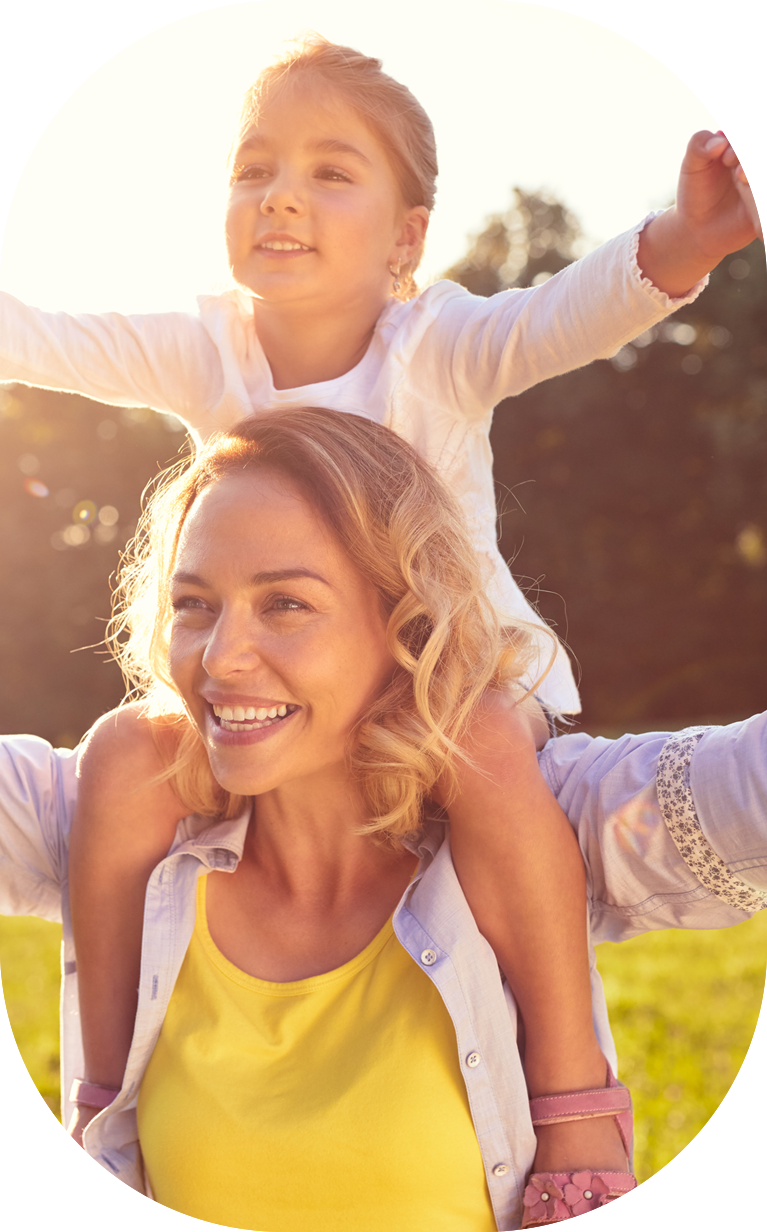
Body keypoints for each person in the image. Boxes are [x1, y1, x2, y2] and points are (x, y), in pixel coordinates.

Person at [0, 34, 760, 1201]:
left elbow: (566, 314)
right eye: (252, 170)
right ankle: (114, 1095)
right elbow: (47, 341)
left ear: (406, 238)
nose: (280, 197)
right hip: (272, 696)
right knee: (121, 753)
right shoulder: (205, 346)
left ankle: (573, 1098)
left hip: (442, 684)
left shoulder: (438, 347)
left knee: (490, 748)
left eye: (329, 171)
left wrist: (694, 235)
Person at [0, 407, 765, 1232]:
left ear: (404, 622)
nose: (221, 658)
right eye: (194, 604)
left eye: (285, 604)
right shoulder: (126, 825)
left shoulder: (528, 819)